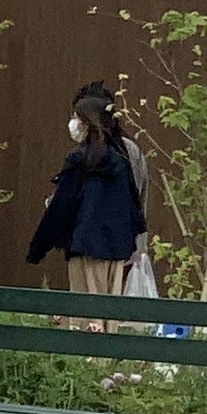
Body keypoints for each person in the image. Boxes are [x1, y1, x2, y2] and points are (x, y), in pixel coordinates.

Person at [23, 79, 150, 294]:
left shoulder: (82, 159)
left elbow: (60, 208)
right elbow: (135, 203)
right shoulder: (122, 157)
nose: (72, 123)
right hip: (119, 250)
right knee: (108, 308)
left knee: (85, 307)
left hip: (86, 246)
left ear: (88, 121)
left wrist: (38, 249)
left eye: (76, 117)